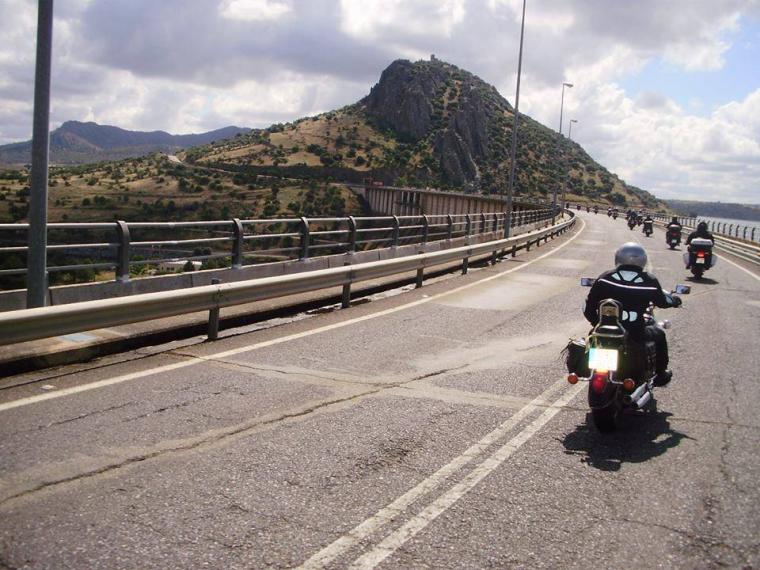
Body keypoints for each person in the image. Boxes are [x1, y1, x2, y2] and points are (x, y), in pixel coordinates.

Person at [583, 243, 681, 385]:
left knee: (590, 340)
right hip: (635, 331)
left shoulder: (605, 277)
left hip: (603, 330)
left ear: (618, 258)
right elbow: (662, 302)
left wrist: (597, 323)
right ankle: (661, 373)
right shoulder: (649, 281)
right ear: (643, 260)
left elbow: (588, 306)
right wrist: (674, 301)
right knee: (660, 335)